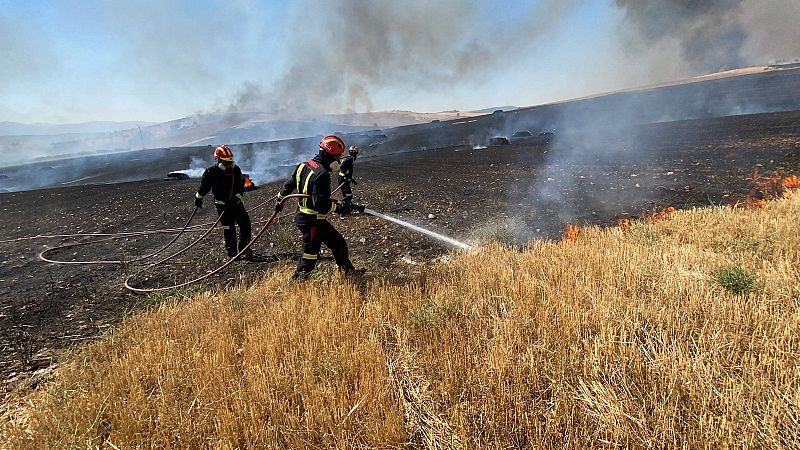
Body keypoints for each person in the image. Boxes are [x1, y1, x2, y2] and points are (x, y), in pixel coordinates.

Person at [275, 135, 364, 280]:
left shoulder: (304, 165)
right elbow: (320, 204)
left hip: (312, 218)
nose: (338, 161)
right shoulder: (322, 175)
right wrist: (340, 208)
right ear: (329, 154)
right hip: (311, 220)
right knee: (310, 255)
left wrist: (280, 199)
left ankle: (349, 274)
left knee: (338, 244)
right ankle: (297, 282)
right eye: (337, 157)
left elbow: (289, 185)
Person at [194, 145, 253, 259]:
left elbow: (240, 186)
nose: (229, 164)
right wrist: (198, 198)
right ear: (219, 160)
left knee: (245, 224)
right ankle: (233, 254)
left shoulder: (235, 170)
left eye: (230, 161)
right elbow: (204, 187)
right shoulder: (211, 172)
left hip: (236, 205)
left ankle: (244, 249)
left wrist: (237, 198)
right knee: (229, 229)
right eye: (226, 162)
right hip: (222, 207)